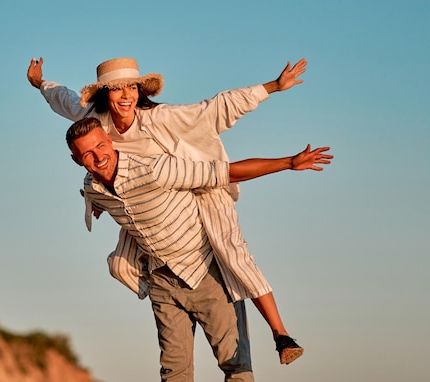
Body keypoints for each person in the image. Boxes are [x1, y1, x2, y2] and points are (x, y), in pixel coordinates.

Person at [27, 56, 307, 364]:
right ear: (104, 93)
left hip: (198, 187)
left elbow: (214, 109)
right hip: (145, 203)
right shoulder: (96, 120)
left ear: (140, 90)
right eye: (116, 89)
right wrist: (41, 83)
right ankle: (168, 288)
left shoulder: (159, 118)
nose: (125, 96)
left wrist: (272, 87)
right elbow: (64, 100)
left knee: (233, 254)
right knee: (119, 266)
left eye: (131, 88)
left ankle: (281, 334)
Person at [66, 117, 333, 381]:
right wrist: (95, 206)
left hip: (206, 273)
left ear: (110, 141)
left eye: (100, 146)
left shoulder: (154, 169)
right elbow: (93, 195)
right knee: (174, 374)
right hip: (162, 282)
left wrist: (288, 163)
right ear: (77, 160)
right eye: (87, 154)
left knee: (235, 365)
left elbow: (225, 172)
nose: (98, 156)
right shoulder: (93, 187)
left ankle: (280, 334)